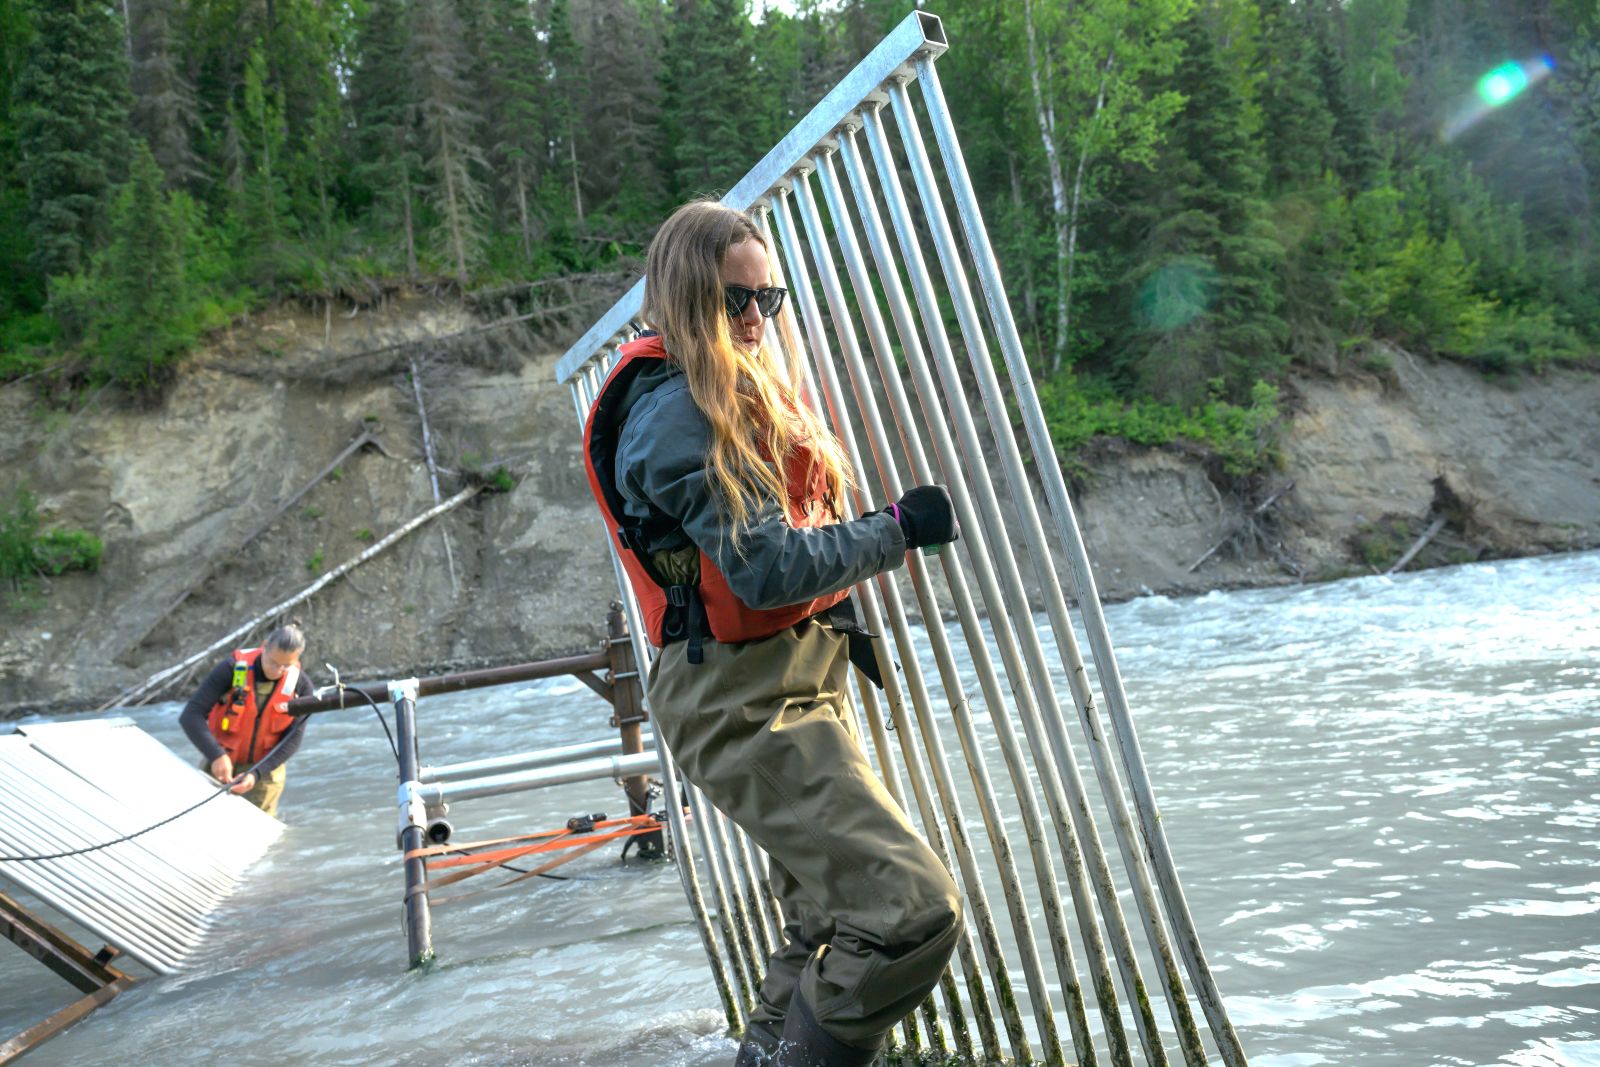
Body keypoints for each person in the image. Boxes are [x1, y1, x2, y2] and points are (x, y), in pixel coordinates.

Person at [582, 201, 963, 1067]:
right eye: (735, 301)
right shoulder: (674, 412)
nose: (756, 320)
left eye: (769, 299)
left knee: (828, 918)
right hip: (737, 697)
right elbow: (763, 571)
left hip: (789, 677)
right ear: (684, 299)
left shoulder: (726, 387)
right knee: (911, 911)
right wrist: (896, 527)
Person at [179, 621, 312, 818]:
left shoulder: (301, 686)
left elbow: (293, 739)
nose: (277, 671)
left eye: (285, 666)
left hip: (265, 773)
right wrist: (216, 755)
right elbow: (191, 715)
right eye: (273, 662)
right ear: (264, 646)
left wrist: (256, 773)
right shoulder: (231, 668)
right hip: (220, 765)